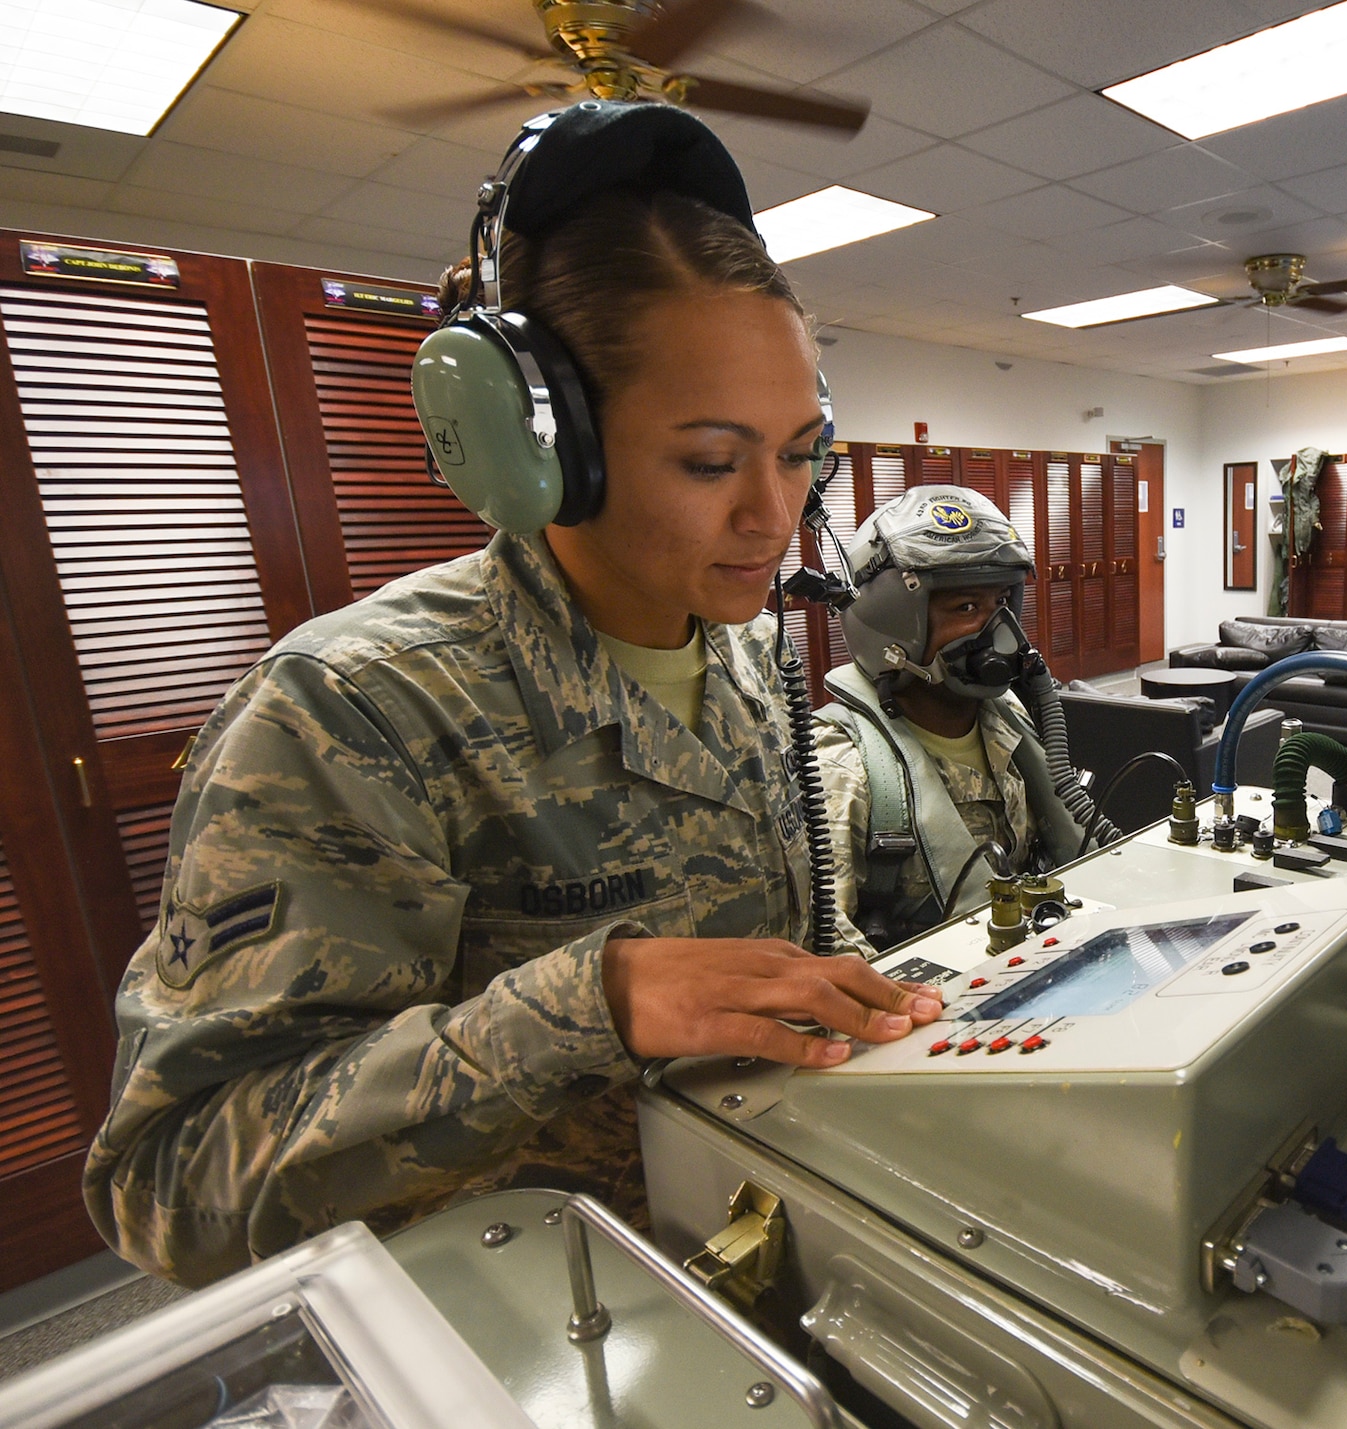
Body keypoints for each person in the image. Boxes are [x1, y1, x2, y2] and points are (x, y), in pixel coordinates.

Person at [83, 102, 940, 1288]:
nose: (773, 514)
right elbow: (173, 1186)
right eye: (707, 461)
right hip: (519, 1334)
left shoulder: (739, 650)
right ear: (545, 446)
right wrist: (580, 1004)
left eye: (800, 452)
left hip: (752, 1271)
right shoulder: (351, 711)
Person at [814, 486, 1098, 955]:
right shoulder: (843, 772)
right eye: (966, 608)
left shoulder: (1008, 718)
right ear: (893, 623)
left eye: (1004, 602)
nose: (1000, 632)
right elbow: (830, 959)